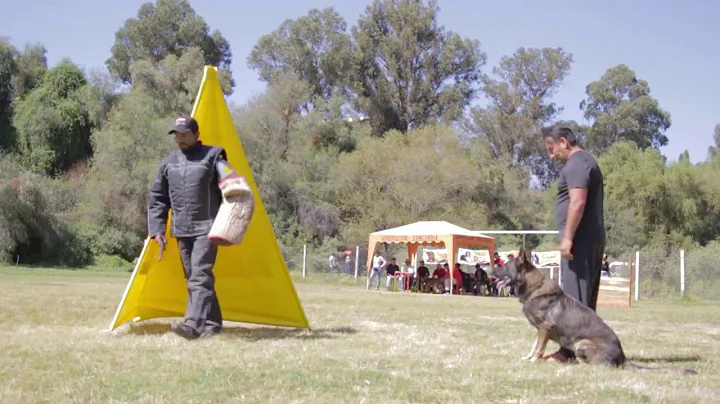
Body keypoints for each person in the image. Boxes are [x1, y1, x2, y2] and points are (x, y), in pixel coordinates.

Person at [148, 116, 232, 340]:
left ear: (196, 134)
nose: (180, 139)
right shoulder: (168, 162)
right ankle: (212, 323)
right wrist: (157, 229)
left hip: (208, 226)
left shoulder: (214, 156)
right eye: (177, 135)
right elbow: (158, 197)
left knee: (200, 274)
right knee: (193, 277)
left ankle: (193, 324)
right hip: (181, 229)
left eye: (185, 134)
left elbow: (232, 184)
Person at [542, 124, 606, 362]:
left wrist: (568, 237)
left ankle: (567, 353)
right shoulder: (584, 162)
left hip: (580, 241)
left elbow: (577, 203)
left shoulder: (578, 163)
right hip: (587, 239)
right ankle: (586, 351)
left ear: (564, 142)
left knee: (574, 300)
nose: (551, 155)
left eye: (552, 149)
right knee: (583, 302)